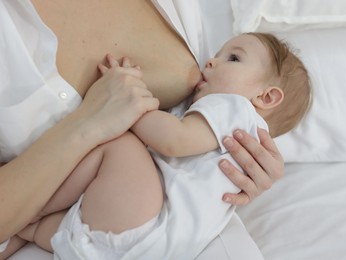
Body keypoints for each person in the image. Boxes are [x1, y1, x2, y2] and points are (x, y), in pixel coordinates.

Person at [0, 1, 284, 259]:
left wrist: (132, 108)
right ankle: (26, 229)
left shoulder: (234, 108)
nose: (211, 60)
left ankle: (30, 220)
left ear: (267, 97)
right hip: (153, 236)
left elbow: (175, 140)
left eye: (232, 58)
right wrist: (93, 118)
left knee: (122, 145)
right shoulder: (230, 107)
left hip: (145, 219)